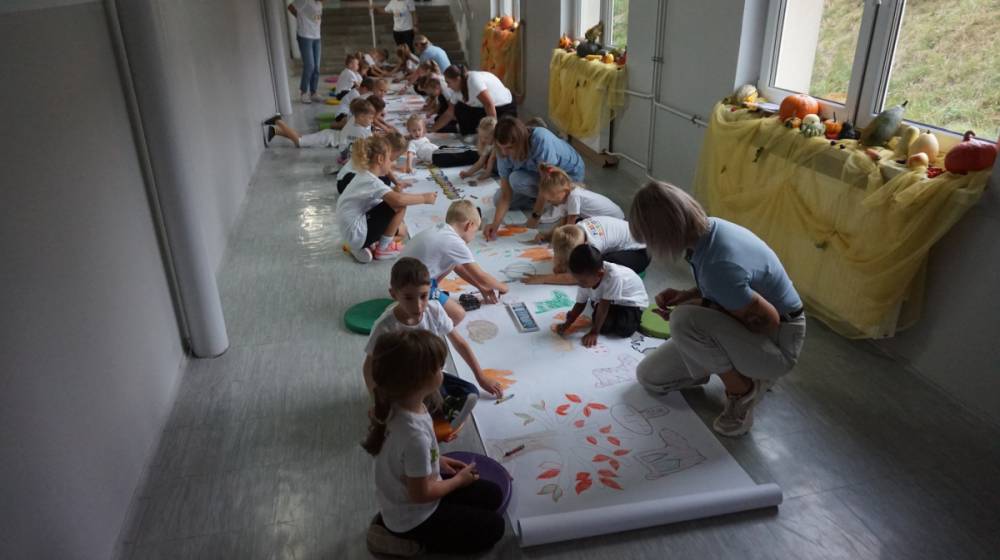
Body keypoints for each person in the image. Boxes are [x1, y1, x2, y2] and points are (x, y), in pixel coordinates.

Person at [628, 181, 807, 437]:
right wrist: (688, 296)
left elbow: (768, 322)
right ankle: (725, 367)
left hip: (778, 343)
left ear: (666, 233)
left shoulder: (719, 264)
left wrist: (697, 309)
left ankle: (742, 390)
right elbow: (727, 290)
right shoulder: (708, 232)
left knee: (683, 321)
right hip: (755, 329)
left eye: (650, 239)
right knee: (650, 377)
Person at [362, 329, 505, 557]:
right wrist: (458, 481)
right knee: (495, 528)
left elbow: (405, 460)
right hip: (415, 517)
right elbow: (421, 494)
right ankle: (408, 542)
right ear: (421, 380)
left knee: (493, 495)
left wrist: (438, 461)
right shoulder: (413, 435)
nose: (442, 371)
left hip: (412, 495)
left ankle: (395, 524)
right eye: (439, 368)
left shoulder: (401, 405)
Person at [364, 257, 504, 401]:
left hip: (432, 376)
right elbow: (369, 367)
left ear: (430, 289)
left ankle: (435, 403)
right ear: (394, 294)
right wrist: (376, 401)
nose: (418, 306)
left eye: (424, 296)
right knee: (424, 402)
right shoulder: (385, 326)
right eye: (409, 298)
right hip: (403, 381)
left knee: (470, 392)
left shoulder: (435, 310)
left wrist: (480, 377)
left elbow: (459, 343)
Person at [401, 200, 509, 324]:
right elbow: (481, 276)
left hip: (400, 278)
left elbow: (459, 267)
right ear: (469, 225)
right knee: (458, 314)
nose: (474, 236)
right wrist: (503, 287)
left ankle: (428, 297)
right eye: (475, 231)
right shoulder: (454, 241)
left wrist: (481, 287)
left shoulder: (441, 229)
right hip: (412, 287)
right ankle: (424, 315)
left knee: (452, 262)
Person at [336, 136, 437, 263]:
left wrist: (395, 190)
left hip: (350, 231)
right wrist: (424, 198)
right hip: (356, 232)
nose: (391, 163)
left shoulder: (364, 175)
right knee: (400, 206)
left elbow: (384, 198)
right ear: (380, 159)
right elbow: (398, 201)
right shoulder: (371, 181)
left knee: (402, 231)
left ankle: (361, 246)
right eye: (390, 159)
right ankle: (382, 249)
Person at [484, 118, 585, 241]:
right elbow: (506, 194)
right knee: (498, 199)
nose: (505, 153)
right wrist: (495, 224)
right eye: (501, 147)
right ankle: (547, 201)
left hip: (567, 175)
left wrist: (535, 217)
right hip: (536, 174)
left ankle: (555, 202)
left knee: (516, 179)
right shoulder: (502, 151)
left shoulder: (540, 140)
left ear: (520, 141)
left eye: (509, 147)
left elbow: (546, 183)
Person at [557, 244, 649, 347]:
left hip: (630, 302)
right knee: (604, 327)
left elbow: (604, 307)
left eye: (582, 281)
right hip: (611, 301)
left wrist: (594, 332)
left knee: (624, 329)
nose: (579, 284)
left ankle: (634, 316)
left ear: (600, 274)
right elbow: (580, 304)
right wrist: (567, 323)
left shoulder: (613, 276)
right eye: (576, 280)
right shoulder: (584, 279)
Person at [524, 216, 650, 285]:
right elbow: (561, 248)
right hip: (630, 235)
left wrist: (543, 278)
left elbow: (578, 277)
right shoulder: (575, 229)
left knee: (602, 267)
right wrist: (560, 262)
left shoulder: (593, 245)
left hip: (642, 252)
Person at [533, 164, 624, 231]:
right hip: (603, 219)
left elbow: (570, 226)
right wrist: (547, 235)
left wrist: (555, 240)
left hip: (616, 220)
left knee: (579, 231)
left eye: (551, 199)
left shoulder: (574, 195)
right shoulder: (563, 200)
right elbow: (562, 223)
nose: (550, 203)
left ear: (565, 191)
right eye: (548, 200)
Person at [432, 66, 516, 136]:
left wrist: (492, 131)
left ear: (457, 79)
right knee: (458, 109)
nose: (447, 86)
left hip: (503, 107)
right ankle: (471, 133)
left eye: (448, 82)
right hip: (483, 108)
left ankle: (486, 134)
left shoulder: (473, 80)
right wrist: (431, 130)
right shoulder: (457, 91)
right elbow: (449, 113)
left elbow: (489, 104)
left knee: (499, 134)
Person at [262, 98, 374, 149]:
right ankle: (278, 121)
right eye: (370, 117)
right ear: (361, 116)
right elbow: (369, 141)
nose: (372, 120)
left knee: (301, 137)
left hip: (330, 135)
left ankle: (276, 131)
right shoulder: (361, 131)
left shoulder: (354, 118)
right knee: (300, 141)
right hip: (327, 139)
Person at [336, 130, 410, 193]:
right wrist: (393, 189)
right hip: (345, 181)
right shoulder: (377, 153)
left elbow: (386, 171)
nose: (395, 159)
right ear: (390, 150)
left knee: (385, 180)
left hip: (349, 180)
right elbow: (384, 172)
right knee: (382, 182)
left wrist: (396, 183)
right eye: (397, 156)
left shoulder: (381, 150)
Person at [287, 0, 323, 104]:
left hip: (317, 37)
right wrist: (300, 18)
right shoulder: (304, 1)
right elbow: (290, 7)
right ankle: (303, 92)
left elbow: (316, 18)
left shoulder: (319, 4)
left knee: (316, 67)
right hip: (304, 36)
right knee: (309, 66)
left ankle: (313, 92)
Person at [458, 117, 498, 181]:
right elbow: (480, 162)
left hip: (503, 166)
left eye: (486, 137)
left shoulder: (497, 143)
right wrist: (468, 173)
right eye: (481, 137)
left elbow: (492, 159)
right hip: (494, 165)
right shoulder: (488, 144)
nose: (483, 140)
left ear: (495, 135)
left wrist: (487, 173)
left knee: (490, 162)